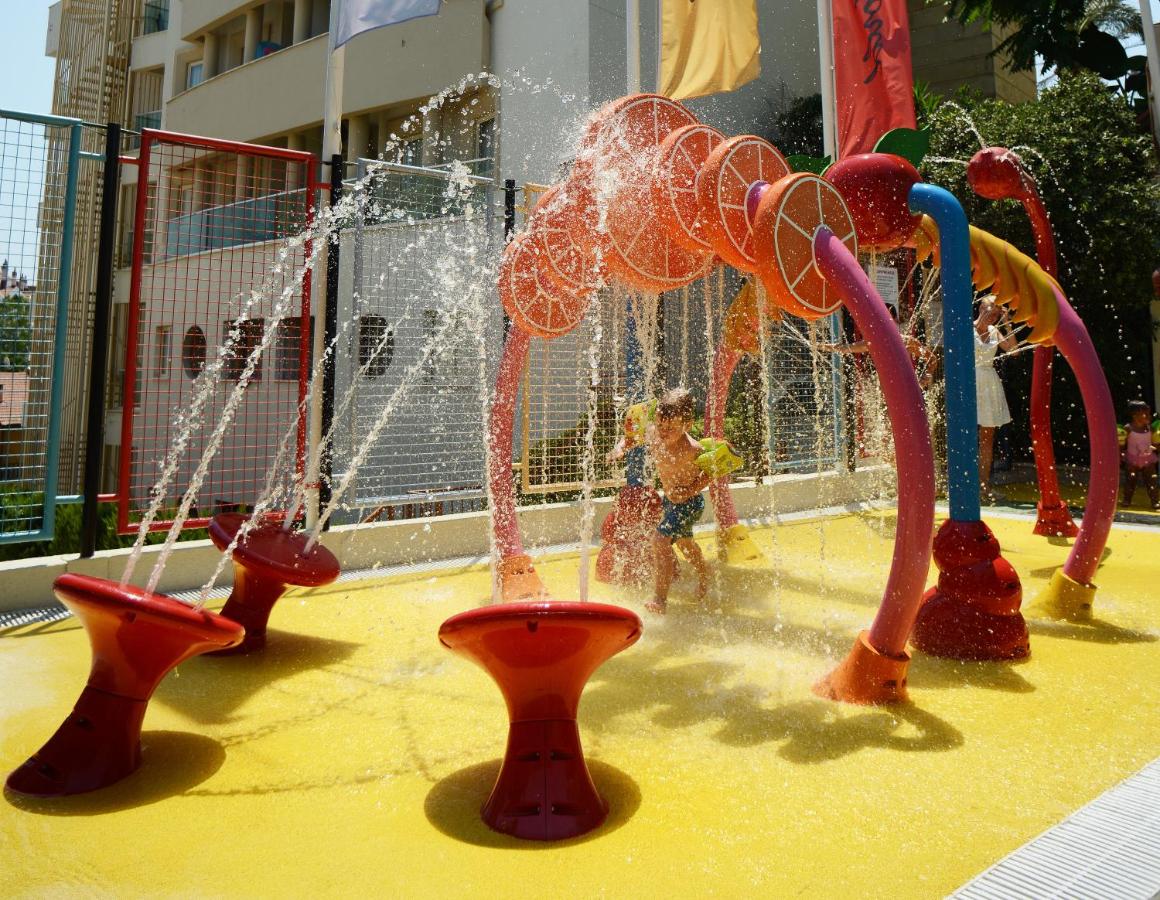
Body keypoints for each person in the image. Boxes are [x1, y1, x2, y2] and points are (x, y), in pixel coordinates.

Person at [646, 387, 713, 614]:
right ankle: (705, 575)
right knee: (685, 544)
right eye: (660, 425)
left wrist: (689, 490)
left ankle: (659, 600)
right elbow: (633, 437)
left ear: (687, 425)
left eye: (671, 428)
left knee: (660, 540)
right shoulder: (655, 435)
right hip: (670, 502)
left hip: (690, 503)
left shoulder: (692, 449)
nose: (663, 432)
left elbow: (712, 471)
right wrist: (621, 447)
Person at [974, 296, 1017, 503]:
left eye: (997, 313)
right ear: (981, 307)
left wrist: (1007, 323)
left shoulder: (994, 330)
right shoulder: (966, 328)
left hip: (989, 383)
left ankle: (984, 486)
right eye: (991, 310)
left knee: (987, 438)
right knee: (966, 434)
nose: (994, 315)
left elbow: (1014, 351)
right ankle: (966, 484)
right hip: (971, 381)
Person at [1121, 399, 1159, 509]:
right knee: (1130, 481)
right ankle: (1127, 499)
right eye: (1145, 414)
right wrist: (1120, 452)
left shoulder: (1150, 428)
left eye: (1148, 414)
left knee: (1152, 481)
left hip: (1148, 459)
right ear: (1134, 415)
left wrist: (1157, 447)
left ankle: (1155, 501)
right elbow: (1122, 442)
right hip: (1132, 459)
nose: (1148, 416)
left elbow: (1154, 442)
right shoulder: (1128, 428)